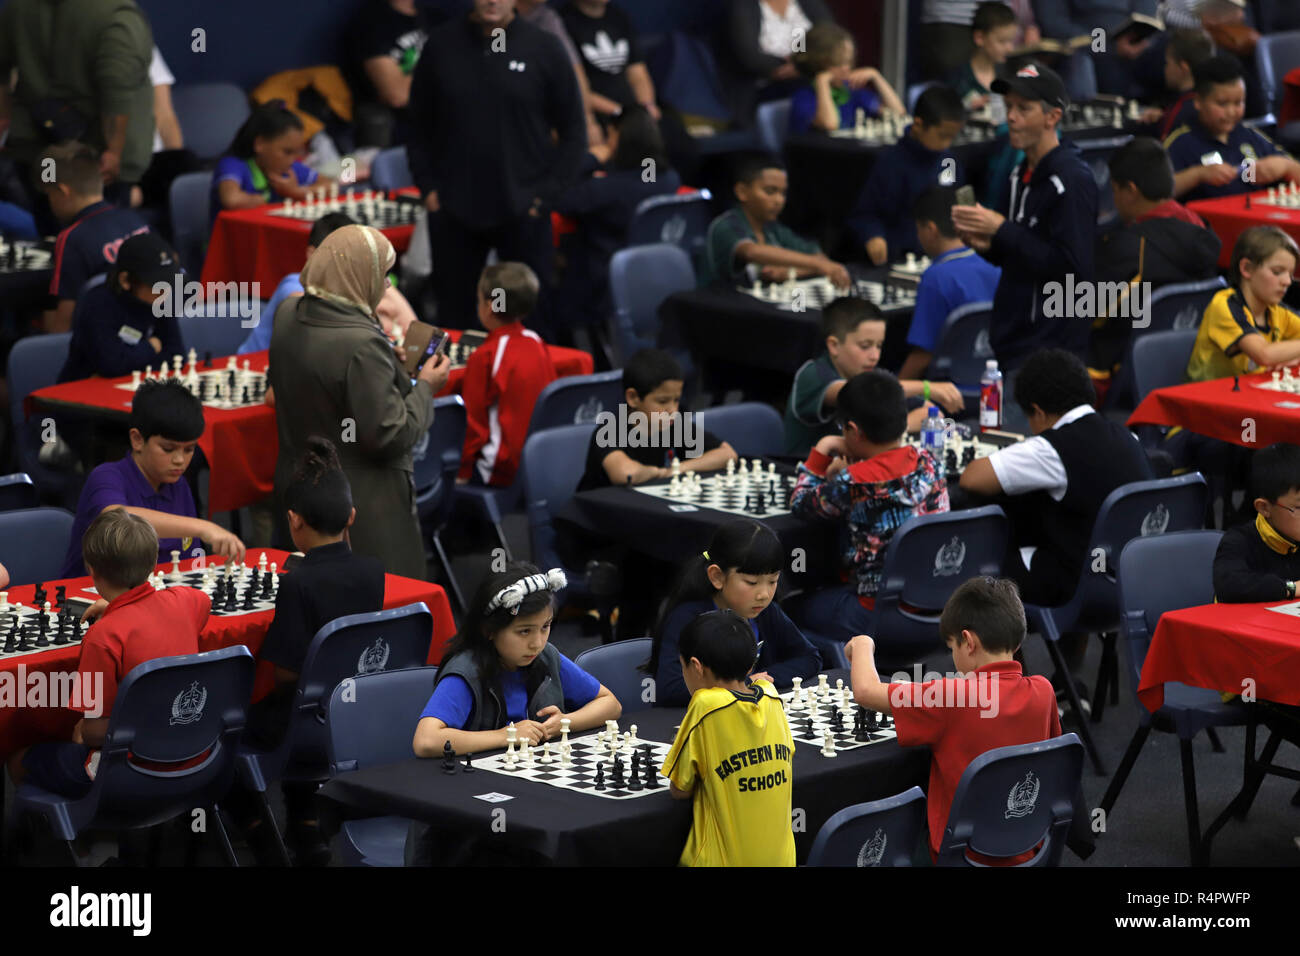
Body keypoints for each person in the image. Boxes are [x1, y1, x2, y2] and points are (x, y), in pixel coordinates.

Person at [268, 224, 451, 579]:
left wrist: (387, 370)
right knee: (377, 620)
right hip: (360, 509)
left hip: (298, 490)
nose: (387, 286)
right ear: (355, 276)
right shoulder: (361, 344)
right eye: (382, 275)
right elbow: (391, 435)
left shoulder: (287, 313)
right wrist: (426, 386)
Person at [241, 437, 386, 865]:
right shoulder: (373, 570)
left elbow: (286, 675)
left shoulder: (297, 582)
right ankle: (305, 823)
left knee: (227, 729)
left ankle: (262, 841)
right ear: (352, 518)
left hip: (306, 724)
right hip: (359, 713)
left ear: (294, 521)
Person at [845, 576, 1061, 863]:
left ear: (968, 642)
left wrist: (862, 644)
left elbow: (865, 691)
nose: (952, 656)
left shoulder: (950, 697)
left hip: (960, 853)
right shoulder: (1044, 692)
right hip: (1030, 845)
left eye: (952, 647)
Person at [8, 510, 210, 805]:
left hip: (126, 769)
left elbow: (94, 732)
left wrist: (82, 729)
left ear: (91, 569)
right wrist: (126, 607)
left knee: (18, 757)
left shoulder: (103, 637)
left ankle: (77, 836)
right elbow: (202, 602)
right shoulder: (185, 602)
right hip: (193, 751)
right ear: (153, 563)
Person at [409, 0, 586, 334]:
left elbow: (575, 134)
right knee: (454, 321)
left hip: (523, 211)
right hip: (454, 211)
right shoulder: (441, 46)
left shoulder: (544, 47)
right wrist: (429, 189)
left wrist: (544, 197)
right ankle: (460, 387)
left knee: (531, 320)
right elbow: (417, 126)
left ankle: (534, 387)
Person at [959, 348, 1152, 611]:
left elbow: (971, 478)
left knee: (984, 567)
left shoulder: (1051, 449)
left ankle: (1007, 651)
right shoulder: (1129, 437)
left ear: (1038, 412)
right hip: (1132, 576)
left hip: (1076, 585)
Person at [951, 62, 1098, 373]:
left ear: (1052, 117)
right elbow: (1023, 257)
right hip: (1014, 340)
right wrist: (987, 245)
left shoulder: (1071, 181)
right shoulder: (1020, 173)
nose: (1011, 117)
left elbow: (1072, 270)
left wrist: (1002, 229)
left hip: (1051, 350)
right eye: (1008, 107)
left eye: (1023, 108)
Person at [789, 370, 949, 646]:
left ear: (852, 430)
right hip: (941, 609)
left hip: (872, 615)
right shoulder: (929, 462)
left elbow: (800, 503)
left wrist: (823, 448)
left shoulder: (852, 482)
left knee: (786, 609)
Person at [413, 563, 622, 755]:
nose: (537, 643)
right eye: (524, 632)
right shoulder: (467, 671)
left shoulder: (546, 656)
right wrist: (505, 735)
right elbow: (426, 741)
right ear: (489, 630)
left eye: (545, 627)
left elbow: (610, 704)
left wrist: (565, 722)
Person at [60, 380, 245, 578]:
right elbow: (117, 518)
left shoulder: (179, 485)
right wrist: (203, 526)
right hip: (89, 598)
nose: (179, 460)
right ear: (137, 439)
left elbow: (191, 562)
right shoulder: (106, 476)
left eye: (189, 449)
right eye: (168, 449)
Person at [661, 609, 796, 867]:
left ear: (696, 667)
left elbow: (679, 789)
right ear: (750, 666)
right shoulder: (770, 695)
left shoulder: (705, 705)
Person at [0, 0, 154, 215]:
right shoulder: (115, 13)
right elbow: (116, 85)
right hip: (94, 163)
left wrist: (4, 118)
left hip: (39, 154)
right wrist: (114, 151)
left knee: (50, 229)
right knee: (99, 235)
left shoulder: (18, 7)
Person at [648, 520, 821, 707]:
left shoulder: (765, 612)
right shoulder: (688, 618)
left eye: (773, 581)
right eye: (751, 582)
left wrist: (760, 682)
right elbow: (670, 688)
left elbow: (810, 657)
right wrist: (743, 685)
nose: (764, 594)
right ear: (717, 577)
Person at [1090, 136, 1221, 379]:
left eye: (1115, 189)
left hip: (1124, 369)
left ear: (1130, 190)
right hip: (1192, 364)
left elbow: (1092, 313)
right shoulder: (1202, 228)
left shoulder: (1131, 247)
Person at [553, 105, 680, 335]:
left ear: (620, 138)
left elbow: (559, 196)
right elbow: (643, 179)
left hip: (603, 284)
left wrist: (592, 158)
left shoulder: (606, 190)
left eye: (610, 135)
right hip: (657, 274)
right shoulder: (667, 178)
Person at [783, 297, 964, 457]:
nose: (874, 356)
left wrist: (886, 432)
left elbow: (932, 413)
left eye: (879, 346)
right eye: (865, 345)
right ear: (834, 345)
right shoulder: (813, 375)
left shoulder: (872, 376)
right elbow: (854, 394)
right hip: (803, 473)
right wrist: (927, 387)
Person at [237, 212, 418, 355]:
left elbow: (412, 326)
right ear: (312, 254)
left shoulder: (360, 281)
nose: (348, 264)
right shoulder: (293, 286)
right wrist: (377, 309)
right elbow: (321, 319)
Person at [577, 349, 736, 491]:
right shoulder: (610, 430)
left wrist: (675, 470)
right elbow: (626, 474)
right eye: (662, 401)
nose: (672, 410)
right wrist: (657, 472)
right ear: (633, 398)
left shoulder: (673, 425)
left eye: (676, 400)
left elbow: (727, 454)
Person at [457, 262, 557, 487]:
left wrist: (462, 472)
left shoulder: (485, 356)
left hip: (500, 470)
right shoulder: (536, 341)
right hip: (541, 460)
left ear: (490, 306)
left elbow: (473, 424)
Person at [39, 141, 151, 334]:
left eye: (49, 194)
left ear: (63, 192)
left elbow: (64, 325)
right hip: (150, 329)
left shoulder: (70, 240)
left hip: (101, 343)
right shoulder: (135, 219)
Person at [850, 84, 966, 267]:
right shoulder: (891, 162)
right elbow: (865, 214)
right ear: (918, 125)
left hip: (940, 257)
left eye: (952, 137)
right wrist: (873, 236)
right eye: (943, 136)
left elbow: (955, 205)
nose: (947, 144)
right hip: (898, 256)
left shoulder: (948, 162)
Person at [898, 186, 1003, 381]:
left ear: (930, 229)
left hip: (950, 390)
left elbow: (923, 355)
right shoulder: (997, 264)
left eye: (918, 229)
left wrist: (896, 391)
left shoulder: (936, 277)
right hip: (995, 381)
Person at [701, 154, 849, 289]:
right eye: (770, 191)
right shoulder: (726, 225)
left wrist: (789, 272)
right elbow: (751, 251)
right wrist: (816, 265)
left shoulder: (774, 229)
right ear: (742, 191)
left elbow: (818, 256)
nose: (779, 200)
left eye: (783, 193)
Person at [1166, 55, 1300, 203]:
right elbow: (1157, 194)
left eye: (1238, 103)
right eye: (1222, 104)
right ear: (1198, 101)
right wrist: (1198, 175)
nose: (1231, 112)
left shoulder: (1251, 136)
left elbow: (1294, 169)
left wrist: (1285, 166)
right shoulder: (1181, 142)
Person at [57, 232, 184, 383]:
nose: (165, 291)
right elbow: (112, 365)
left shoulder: (161, 300)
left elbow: (176, 356)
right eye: (155, 285)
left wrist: (132, 359)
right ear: (125, 280)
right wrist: (151, 346)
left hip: (137, 384)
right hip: (82, 391)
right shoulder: (98, 304)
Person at [1186, 226, 1300, 383]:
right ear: (1246, 268)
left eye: (1290, 274)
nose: (1287, 281)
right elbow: (1264, 354)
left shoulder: (1277, 311)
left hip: (1250, 394)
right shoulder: (1225, 305)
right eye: (1277, 272)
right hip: (1204, 399)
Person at [947, 2, 1022, 213]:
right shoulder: (959, 78)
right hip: (966, 156)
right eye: (1002, 41)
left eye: (1012, 41)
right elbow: (946, 114)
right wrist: (967, 107)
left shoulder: (1009, 75)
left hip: (999, 153)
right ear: (980, 38)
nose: (1009, 48)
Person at [721, 0, 837, 122]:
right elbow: (749, 55)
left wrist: (802, 66)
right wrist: (795, 66)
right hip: (763, 85)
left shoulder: (810, 4)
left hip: (810, 77)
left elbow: (832, 41)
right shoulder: (744, 5)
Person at [1213, 442, 1300, 603]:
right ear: (1264, 508)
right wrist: (1291, 588)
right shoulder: (1239, 541)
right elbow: (1229, 585)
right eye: (1299, 507)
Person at [211, 102, 328, 218]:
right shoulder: (233, 165)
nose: (293, 159)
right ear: (260, 144)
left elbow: (330, 185)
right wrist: (263, 198)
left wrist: (295, 191)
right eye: (287, 152)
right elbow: (232, 200)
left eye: (297, 152)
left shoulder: (289, 168)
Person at [345, 0, 435, 147]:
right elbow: (397, 95)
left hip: (445, 114)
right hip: (400, 127)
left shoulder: (436, 18)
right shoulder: (370, 24)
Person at [560, 0, 662, 127]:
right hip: (595, 116)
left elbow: (638, 73)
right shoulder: (562, 22)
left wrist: (647, 107)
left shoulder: (618, 16)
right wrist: (620, 113)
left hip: (632, 113)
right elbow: (575, 88)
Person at [788, 23, 904, 134]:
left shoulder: (851, 91)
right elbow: (829, 125)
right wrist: (822, 82)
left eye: (849, 62)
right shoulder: (804, 97)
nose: (846, 68)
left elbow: (898, 114)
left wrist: (876, 76)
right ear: (818, 64)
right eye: (837, 63)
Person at [1150, 27, 1214, 141]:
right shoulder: (1216, 102)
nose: (1166, 69)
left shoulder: (1177, 113)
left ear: (1183, 67)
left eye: (1168, 63)